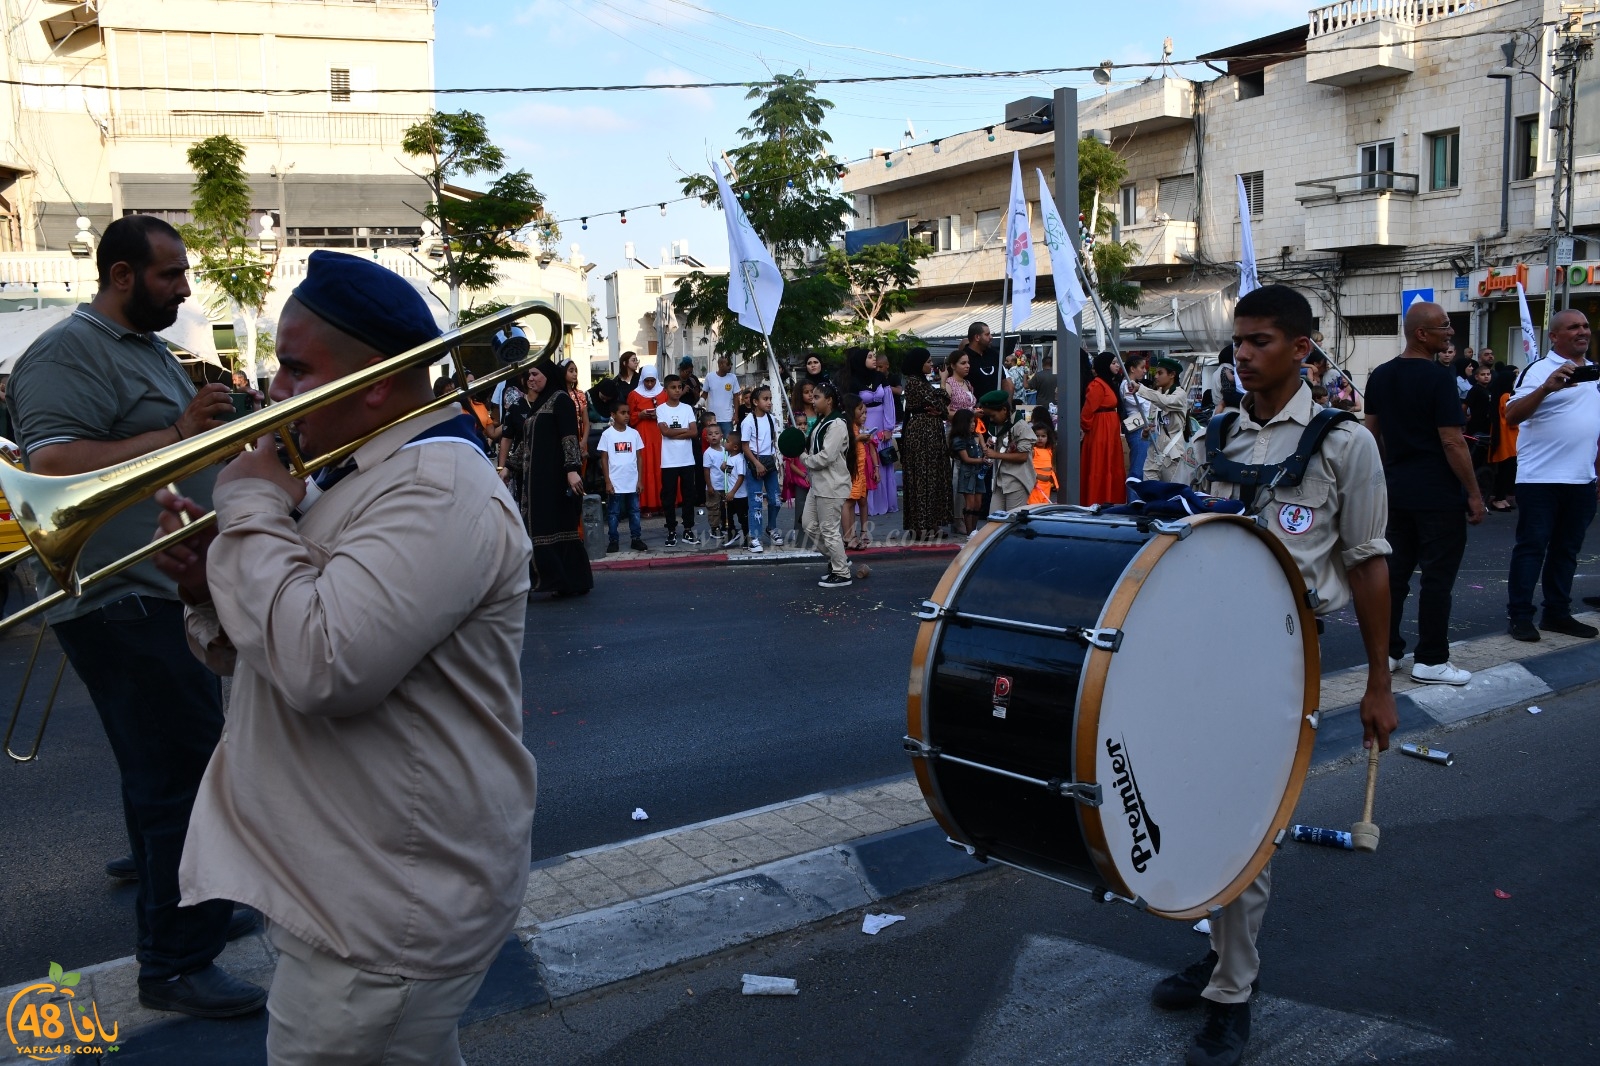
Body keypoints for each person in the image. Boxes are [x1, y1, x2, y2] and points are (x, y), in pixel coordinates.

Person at [149, 249, 539, 1063]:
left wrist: (251, 503)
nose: (273, 391)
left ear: (372, 385)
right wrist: (205, 589)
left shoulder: (434, 488)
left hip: (380, 913)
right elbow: (285, 638)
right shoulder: (360, 474)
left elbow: (322, 665)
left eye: (294, 369)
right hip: (357, 886)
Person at [5, 214, 265, 1019]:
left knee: (162, 764)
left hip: (158, 589)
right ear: (121, 276)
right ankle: (177, 960)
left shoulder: (144, 349)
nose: (186, 287)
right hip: (126, 596)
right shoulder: (64, 354)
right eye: (170, 275)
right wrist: (179, 430)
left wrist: (212, 428)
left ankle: (183, 880)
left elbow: (167, 449)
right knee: (184, 775)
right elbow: (49, 465)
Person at [1156, 284, 1395, 1066]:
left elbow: (1366, 565)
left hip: (1282, 658)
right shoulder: (1216, 430)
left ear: (1302, 348)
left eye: (1260, 341)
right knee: (1192, 811)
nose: (1244, 355)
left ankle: (1232, 993)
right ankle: (1222, 950)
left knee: (1246, 824)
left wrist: (1379, 682)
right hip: (1201, 652)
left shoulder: (1343, 444)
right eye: (1238, 342)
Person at [1363, 300, 1483, 685]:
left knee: (1395, 576)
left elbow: (1370, 436)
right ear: (1421, 333)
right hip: (1437, 495)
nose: (1450, 333)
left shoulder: (1380, 375)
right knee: (1436, 578)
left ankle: (1390, 652)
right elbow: (1452, 442)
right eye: (1444, 327)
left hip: (1397, 492)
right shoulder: (1438, 379)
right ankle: (1431, 660)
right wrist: (1474, 493)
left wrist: (1387, 476)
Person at [1502, 308, 1600, 642]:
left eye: (1585, 326)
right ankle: (1520, 616)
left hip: (1582, 480)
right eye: (1573, 327)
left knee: (1567, 550)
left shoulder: (1595, 373)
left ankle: (1557, 614)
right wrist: (1547, 388)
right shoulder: (1538, 370)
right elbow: (1512, 416)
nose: (1582, 331)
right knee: (1532, 548)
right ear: (1554, 337)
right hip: (1540, 479)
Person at [518, 356, 594, 596]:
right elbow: (527, 441)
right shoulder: (539, 403)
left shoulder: (560, 399)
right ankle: (557, 580)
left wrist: (572, 469)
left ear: (548, 376)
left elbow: (569, 436)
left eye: (535, 374)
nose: (530, 379)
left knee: (553, 526)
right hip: (535, 479)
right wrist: (509, 467)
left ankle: (558, 580)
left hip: (553, 477)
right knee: (540, 526)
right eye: (528, 375)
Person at [802, 380, 854, 587]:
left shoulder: (837, 424)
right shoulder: (823, 422)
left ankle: (842, 573)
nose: (812, 401)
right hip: (818, 483)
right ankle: (839, 559)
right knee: (808, 525)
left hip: (832, 485)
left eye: (817, 397)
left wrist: (804, 459)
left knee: (829, 529)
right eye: (812, 397)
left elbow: (826, 457)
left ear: (829, 400)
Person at [899, 348, 953, 541]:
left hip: (932, 433)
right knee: (922, 477)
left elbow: (942, 409)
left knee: (935, 477)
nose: (932, 365)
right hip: (921, 434)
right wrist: (944, 382)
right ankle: (920, 526)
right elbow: (941, 403)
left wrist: (940, 407)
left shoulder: (922, 382)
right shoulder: (914, 382)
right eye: (928, 361)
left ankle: (933, 523)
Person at [842, 348, 898, 518]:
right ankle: (864, 503)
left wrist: (889, 428)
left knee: (881, 460)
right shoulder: (852, 381)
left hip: (881, 424)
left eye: (874, 356)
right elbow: (851, 407)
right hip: (863, 424)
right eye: (869, 356)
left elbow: (889, 402)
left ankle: (884, 502)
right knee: (865, 459)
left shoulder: (880, 377)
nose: (874, 359)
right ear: (860, 360)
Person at [656, 374, 700, 547]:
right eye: (673, 387)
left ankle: (688, 529)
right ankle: (671, 530)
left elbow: (694, 432)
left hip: (687, 460)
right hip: (669, 461)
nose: (677, 390)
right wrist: (684, 431)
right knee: (669, 497)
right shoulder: (661, 409)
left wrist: (676, 432)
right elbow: (665, 432)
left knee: (689, 496)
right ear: (666, 390)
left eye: (679, 387)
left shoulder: (687, 408)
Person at [600, 402, 649, 554]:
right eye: (622, 412)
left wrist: (639, 480)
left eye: (628, 412)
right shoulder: (607, 434)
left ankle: (636, 538)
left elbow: (639, 457)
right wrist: (608, 481)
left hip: (632, 481)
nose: (627, 415)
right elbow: (604, 459)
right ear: (613, 415)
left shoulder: (634, 434)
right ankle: (613, 540)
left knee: (634, 510)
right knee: (613, 512)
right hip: (615, 481)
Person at [1080, 352, 1128, 506]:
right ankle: (1098, 499)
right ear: (1105, 365)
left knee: (1109, 465)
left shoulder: (1108, 383)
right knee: (1101, 465)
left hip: (1108, 429)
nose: (1117, 365)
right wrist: (1093, 432)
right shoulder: (1097, 385)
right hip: (1101, 431)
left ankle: (1110, 499)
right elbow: (1086, 414)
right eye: (1113, 363)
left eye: (1117, 363)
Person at [739, 383, 782, 552]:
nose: (769, 402)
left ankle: (771, 527)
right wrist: (757, 464)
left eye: (770, 399)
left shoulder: (771, 418)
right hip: (754, 462)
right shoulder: (748, 421)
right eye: (766, 399)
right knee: (756, 501)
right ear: (755, 402)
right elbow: (744, 446)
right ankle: (754, 537)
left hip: (769, 462)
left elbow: (772, 442)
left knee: (776, 499)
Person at [979, 390, 1036, 512]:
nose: (991, 419)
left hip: (1017, 481)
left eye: (993, 415)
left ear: (1004, 410)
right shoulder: (999, 424)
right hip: (1000, 480)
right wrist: (991, 442)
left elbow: (1023, 457)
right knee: (994, 519)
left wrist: (996, 455)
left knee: (1012, 520)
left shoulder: (1021, 426)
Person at [1137, 356, 1191, 482]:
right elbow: (1151, 421)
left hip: (1172, 455)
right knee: (1149, 494)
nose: (1156, 377)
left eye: (1160, 373)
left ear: (1172, 374)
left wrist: (1140, 389)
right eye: (1156, 373)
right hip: (1154, 455)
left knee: (1171, 497)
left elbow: (1166, 402)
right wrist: (1145, 433)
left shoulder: (1180, 394)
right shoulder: (1156, 395)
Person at [627, 366, 664, 511]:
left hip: (659, 434)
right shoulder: (634, 395)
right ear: (642, 379)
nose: (649, 384)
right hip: (642, 435)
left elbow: (667, 411)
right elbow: (628, 416)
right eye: (647, 381)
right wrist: (640, 415)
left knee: (660, 466)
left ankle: (662, 503)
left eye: (652, 381)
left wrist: (658, 415)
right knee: (645, 466)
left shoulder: (663, 394)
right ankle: (646, 504)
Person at [840, 393, 873, 549]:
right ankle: (848, 537)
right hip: (851, 469)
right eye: (860, 409)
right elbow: (843, 445)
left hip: (858, 469)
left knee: (853, 502)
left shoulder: (855, 427)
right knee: (848, 502)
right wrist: (858, 439)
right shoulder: (846, 427)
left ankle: (851, 535)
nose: (862, 413)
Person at [949, 410, 988, 536]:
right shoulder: (958, 440)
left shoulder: (976, 436)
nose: (973, 424)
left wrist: (986, 449)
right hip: (967, 474)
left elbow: (984, 449)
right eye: (970, 422)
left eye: (973, 422)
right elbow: (966, 459)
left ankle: (974, 530)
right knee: (970, 505)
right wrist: (982, 460)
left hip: (978, 474)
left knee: (978, 504)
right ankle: (969, 531)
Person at [1487, 363, 1520, 513]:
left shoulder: (1499, 395)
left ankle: (1501, 498)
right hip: (1507, 437)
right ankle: (1499, 498)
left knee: (1504, 469)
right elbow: (1511, 417)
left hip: (1504, 436)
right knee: (1505, 469)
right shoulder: (1506, 396)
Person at [711, 429, 750, 548]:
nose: (724, 442)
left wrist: (733, 492)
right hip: (730, 494)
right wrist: (723, 468)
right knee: (725, 513)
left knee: (742, 518)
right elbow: (729, 473)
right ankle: (732, 532)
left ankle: (747, 537)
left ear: (735, 447)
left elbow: (740, 477)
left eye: (727, 441)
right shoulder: (728, 457)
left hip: (740, 495)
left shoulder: (739, 459)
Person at [955, 321, 1010, 400]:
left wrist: (1007, 404)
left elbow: (1004, 381)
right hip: (975, 408)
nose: (991, 337)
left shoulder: (993, 354)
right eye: (987, 334)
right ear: (977, 337)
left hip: (996, 408)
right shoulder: (963, 357)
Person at [1121, 354, 1152, 482]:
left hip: (1140, 426)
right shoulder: (1127, 385)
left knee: (1141, 468)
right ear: (1132, 369)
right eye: (1142, 367)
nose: (1144, 371)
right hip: (1137, 427)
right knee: (1137, 470)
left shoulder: (1136, 385)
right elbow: (1144, 404)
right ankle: (1134, 500)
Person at [705, 353, 739, 435]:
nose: (730, 366)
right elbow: (704, 394)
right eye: (728, 364)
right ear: (720, 364)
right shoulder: (710, 377)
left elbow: (736, 397)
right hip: (712, 418)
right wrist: (699, 404)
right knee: (713, 442)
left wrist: (736, 414)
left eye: (731, 364)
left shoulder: (733, 377)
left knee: (728, 443)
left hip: (727, 418)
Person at [1028, 408, 1057, 505]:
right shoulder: (1033, 450)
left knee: (1044, 507)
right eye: (1037, 436)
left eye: (1043, 436)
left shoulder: (1049, 450)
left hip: (1046, 485)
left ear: (1048, 437)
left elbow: (1052, 465)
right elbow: (1028, 467)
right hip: (1035, 485)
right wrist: (1033, 478)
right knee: (1034, 507)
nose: (1040, 439)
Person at [944, 349, 977, 416]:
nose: (968, 366)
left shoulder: (967, 383)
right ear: (953, 366)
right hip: (955, 425)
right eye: (963, 363)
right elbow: (946, 413)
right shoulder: (948, 384)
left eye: (968, 363)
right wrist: (971, 413)